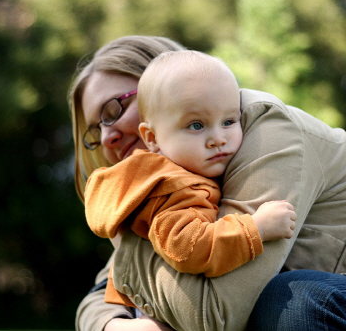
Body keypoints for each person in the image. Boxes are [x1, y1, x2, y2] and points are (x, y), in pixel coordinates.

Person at [70, 35, 346, 331]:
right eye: (94, 129)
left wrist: (126, 238)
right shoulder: (173, 178)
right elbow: (93, 301)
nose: (107, 138)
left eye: (113, 110)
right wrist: (121, 327)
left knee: (293, 301)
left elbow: (214, 315)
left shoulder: (263, 131)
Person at [83, 50, 296, 307]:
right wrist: (256, 229)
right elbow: (186, 249)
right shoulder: (169, 186)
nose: (218, 138)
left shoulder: (186, 170)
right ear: (152, 138)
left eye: (229, 121)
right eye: (196, 125)